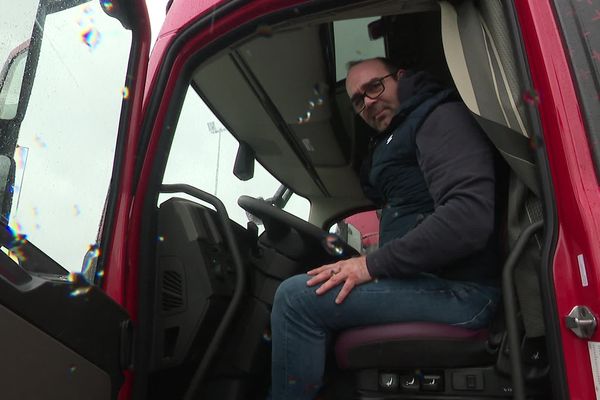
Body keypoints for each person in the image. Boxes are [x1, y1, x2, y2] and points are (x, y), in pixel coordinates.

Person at [269, 57, 501, 399]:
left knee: (295, 300)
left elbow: (468, 217)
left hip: (465, 292)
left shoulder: (438, 116)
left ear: (402, 78)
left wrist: (368, 265)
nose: (369, 102)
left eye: (374, 87)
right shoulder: (396, 140)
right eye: (359, 100)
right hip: (433, 284)